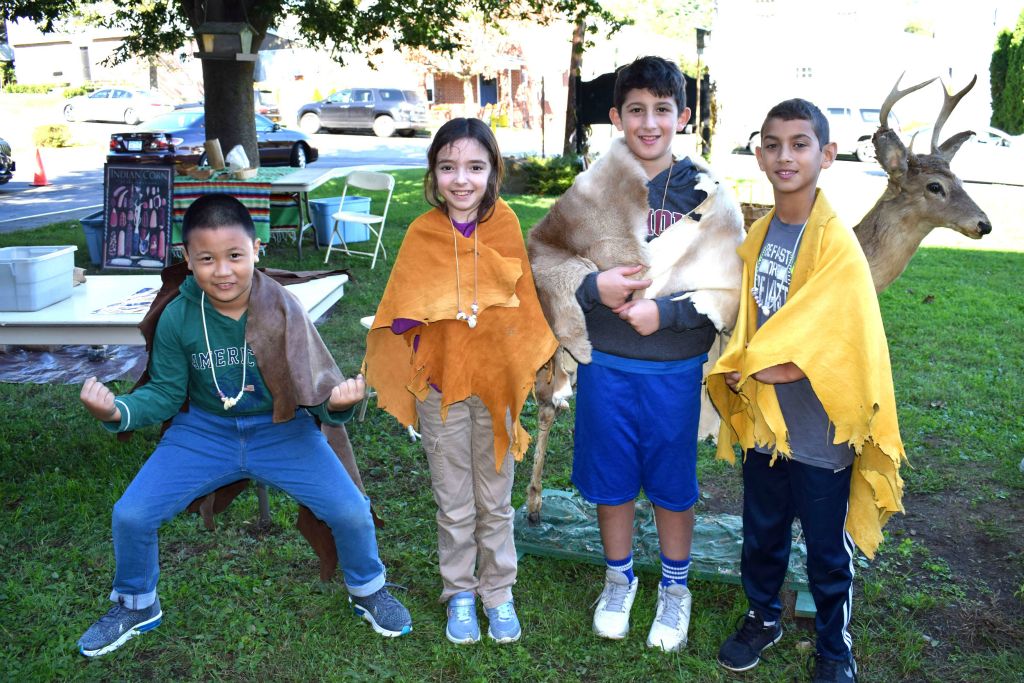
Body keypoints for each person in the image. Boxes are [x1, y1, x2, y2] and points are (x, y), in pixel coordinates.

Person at [76, 194, 412, 658]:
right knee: (131, 515)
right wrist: (117, 412)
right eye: (206, 259)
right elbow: (167, 394)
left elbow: (316, 388)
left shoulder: (284, 307)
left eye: (235, 255)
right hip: (203, 432)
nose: (223, 270)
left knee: (351, 511)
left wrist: (337, 404)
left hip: (282, 430)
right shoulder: (178, 316)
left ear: (257, 250)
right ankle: (136, 603)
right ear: (188, 260)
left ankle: (367, 588)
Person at [528, 55, 744, 652]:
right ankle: (618, 576)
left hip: (675, 371)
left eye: (663, 110)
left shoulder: (711, 196)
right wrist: (592, 287)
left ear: (684, 115)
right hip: (607, 368)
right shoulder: (594, 187)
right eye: (637, 111)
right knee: (612, 481)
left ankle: (676, 588)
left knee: (674, 486)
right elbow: (544, 251)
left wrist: (666, 312)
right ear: (617, 116)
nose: (650, 123)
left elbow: (728, 288)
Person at [706, 99, 906, 683]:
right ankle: (763, 616)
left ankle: (833, 649)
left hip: (821, 429)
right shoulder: (764, 230)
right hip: (769, 425)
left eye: (799, 144)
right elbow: (751, 311)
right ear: (760, 154)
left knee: (825, 548)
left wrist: (777, 368)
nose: (785, 155)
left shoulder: (835, 243)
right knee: (762, 531)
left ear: (827, 155)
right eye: (773, 144)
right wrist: (746, 361)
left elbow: (840, 328)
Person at [363, 118, 558, 645]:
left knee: (494, 501)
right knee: (453, 501)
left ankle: (499, 592)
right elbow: (402, 306)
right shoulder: (423, 232)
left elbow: (522, 307)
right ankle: (461, 593)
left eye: (475, 167)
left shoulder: (506, 226)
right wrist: (416, 312)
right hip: (439, 391)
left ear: (493, 171)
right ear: (434, 173)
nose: (461, 179)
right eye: (448, 167)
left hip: (495, 390)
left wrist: (524, 360)